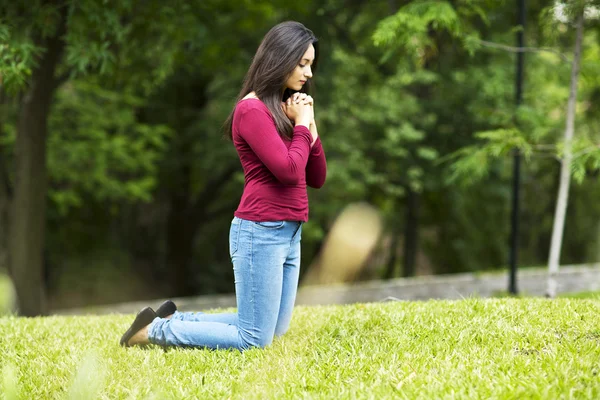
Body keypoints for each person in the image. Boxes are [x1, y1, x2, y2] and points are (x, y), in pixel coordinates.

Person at [120, 21, 327, 350]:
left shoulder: (287, 111)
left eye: (311, 65)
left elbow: (316, 178)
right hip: (260, 231)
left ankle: (171, 322)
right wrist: (302, 126)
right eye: (302, 63)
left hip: (290, 233)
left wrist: (309, 128)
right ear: (280, 57)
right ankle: (152, 333)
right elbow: (288, 172)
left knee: (273, 330)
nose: (308, 73)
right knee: (254, 340)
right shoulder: (251, 110)